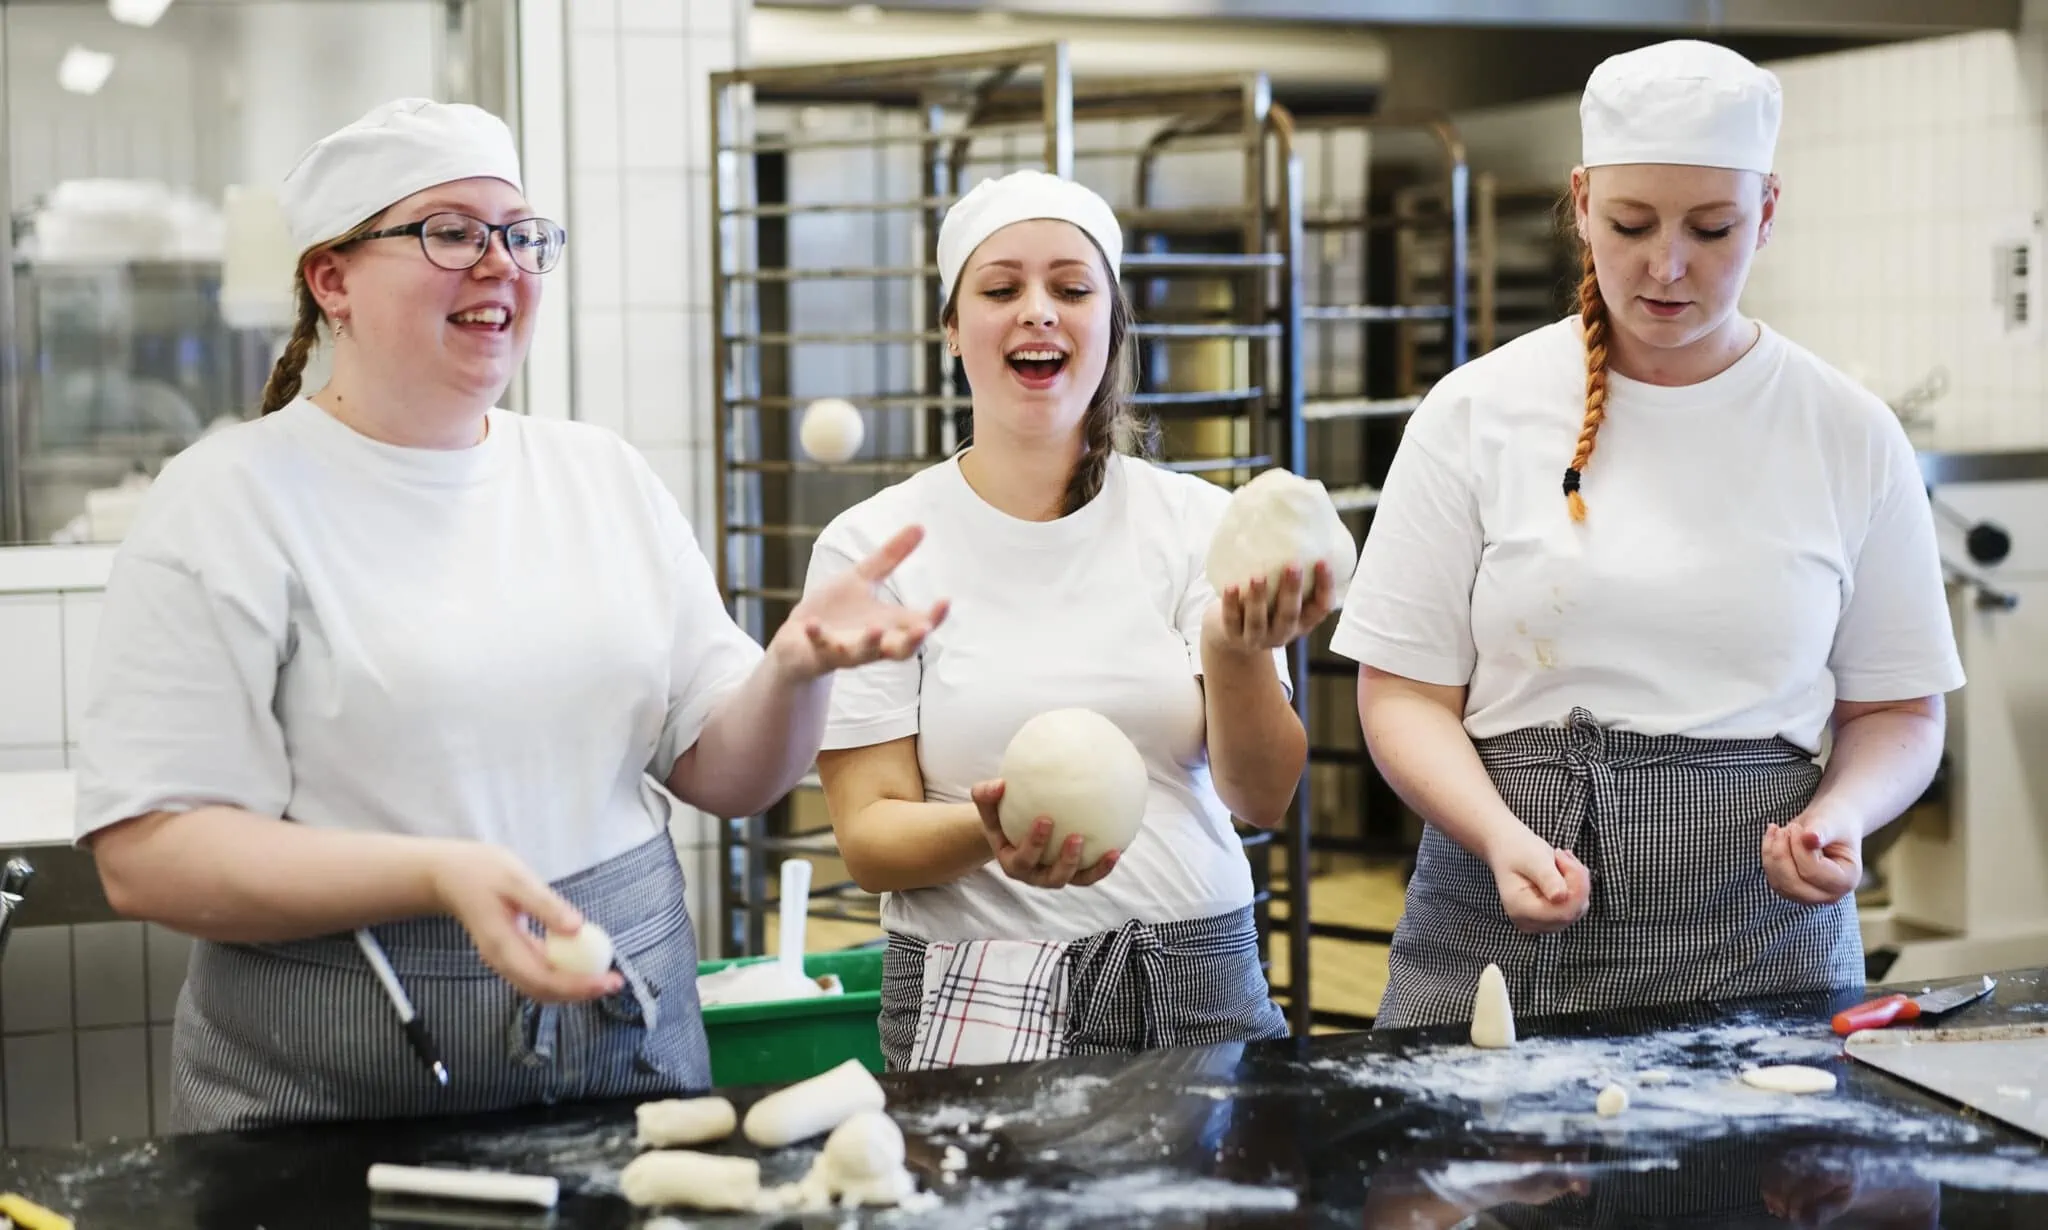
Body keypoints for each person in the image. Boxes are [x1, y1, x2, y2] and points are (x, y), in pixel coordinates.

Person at [72, 98, 944, 1131]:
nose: (501, 262)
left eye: (522, 234)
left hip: (632, 1068)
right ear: (331, 277)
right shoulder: (229, 501)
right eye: (450, 231)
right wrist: (440, 873)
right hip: (341, 1105)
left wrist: (797, 668)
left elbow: (731, 777)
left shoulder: (598, 477)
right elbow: (147, 855)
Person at [1332, 41, 1964, 1030]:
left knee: (1755, 1185)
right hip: (1499, 940)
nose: (1666, 265)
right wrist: (1499, 838)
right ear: (1580, 203)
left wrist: (1837, 818)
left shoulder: (1844, 431)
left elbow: (1900, 713)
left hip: (1764, 949)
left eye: (1710, 229)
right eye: (1629, 224)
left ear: (1764, 213)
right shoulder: (1474, 413)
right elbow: (1404, 693)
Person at [805, 170, 1333, 1070]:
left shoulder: (1199, 525)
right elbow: (869, 838)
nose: (1038, 311)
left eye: (1072, 288)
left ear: (1112, 324)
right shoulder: (876, 548)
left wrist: (1233, 650)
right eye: (1001, 289)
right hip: (979, 988)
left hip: (1199, 980)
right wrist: (997, 832)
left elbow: (1261, 795)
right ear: (952, 329)